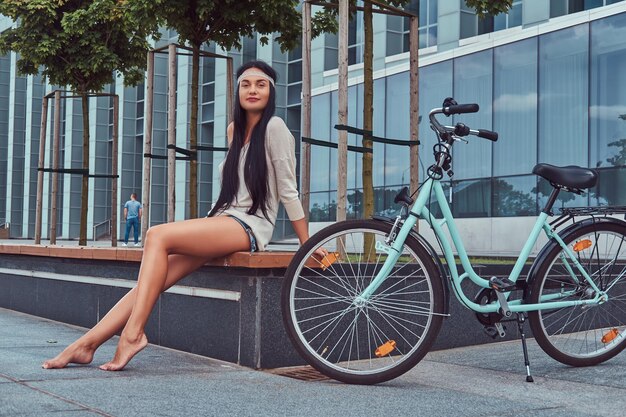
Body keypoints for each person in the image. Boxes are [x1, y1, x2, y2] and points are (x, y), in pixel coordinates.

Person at [42, 60, 326, 371]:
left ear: (271, 92)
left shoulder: (276, 128)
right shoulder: (235, 131)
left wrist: (307, 243)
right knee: (148, 284)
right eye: (246, 84)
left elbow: (288, 190)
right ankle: (86, 344)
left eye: (261, 84)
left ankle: (133, 334)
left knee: (157, 235)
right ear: (237, 92)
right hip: (223, 221)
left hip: (249, 227)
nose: (253, 90)